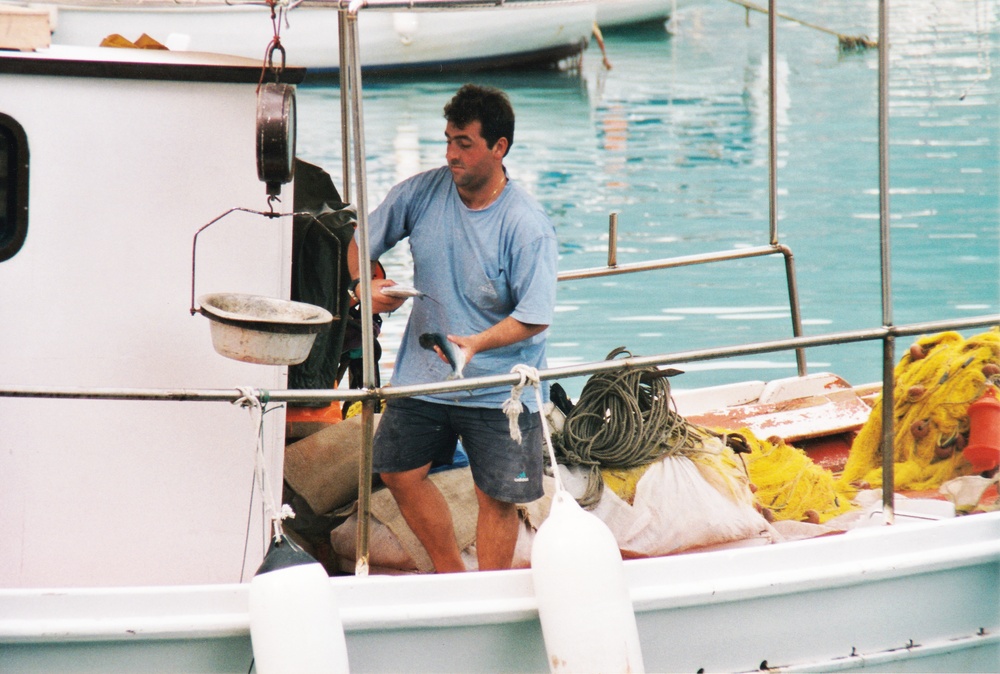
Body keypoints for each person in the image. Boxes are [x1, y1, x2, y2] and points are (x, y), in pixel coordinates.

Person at [347, 84, 558, 572]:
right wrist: (365, 285)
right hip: (424, 373)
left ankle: (488, 592)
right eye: (447, 140)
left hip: (497, 386)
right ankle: (450, 573)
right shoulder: (421, 192)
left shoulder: (527, 226)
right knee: (397, 470)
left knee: (497, 497)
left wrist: (477, 344)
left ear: (499, 147)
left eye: (464, 143)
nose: (451, 154)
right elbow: (361, 241)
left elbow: (536, 314)